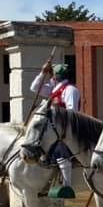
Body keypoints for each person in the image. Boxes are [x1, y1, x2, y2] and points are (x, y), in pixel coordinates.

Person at [30, 62, 81, 198]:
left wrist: (57, 108)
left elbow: (72, 112)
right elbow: (34, 88)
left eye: (52, 74)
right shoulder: (53, 89)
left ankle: (67, 184)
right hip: (52, 129)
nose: (51, 76)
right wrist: (42, 73)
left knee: (62, 153)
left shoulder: (70, 90)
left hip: (66, 129)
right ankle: (47, 183)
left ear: (56, 76)